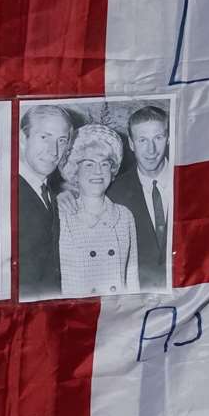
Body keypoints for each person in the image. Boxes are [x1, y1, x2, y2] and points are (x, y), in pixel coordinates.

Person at [56, 124, 138, 297]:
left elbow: (132, 278)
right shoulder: (61, 216)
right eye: (89, 164)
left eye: (105, 164)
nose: (98, 171)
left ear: (113, 170)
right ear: (74, 171)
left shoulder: (125, 216)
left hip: (118, 313)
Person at [107, 104, 172, 290]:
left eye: (158, 138)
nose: (151, 150)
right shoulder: (114, 192)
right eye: (142, 140)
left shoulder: (189, 180)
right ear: (131, 144)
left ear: (168, 138)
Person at [17, 104, 72, 299]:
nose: (54, 150)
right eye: (44, 137)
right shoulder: (9, 193)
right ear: (23, 139)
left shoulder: (47, 191)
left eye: (62, 140)